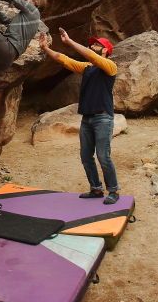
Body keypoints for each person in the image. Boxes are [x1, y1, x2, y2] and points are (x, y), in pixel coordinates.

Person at [39, 28, 121, 204]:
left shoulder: (110, 67)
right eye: (92, 45)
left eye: (97, 45)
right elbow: (64, 60)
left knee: (103, 156)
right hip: (87, 118)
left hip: (103, 118)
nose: (93, 47)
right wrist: (46, 48)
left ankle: (113, 191)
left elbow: (92, 57)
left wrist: (69, 42)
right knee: (85, 156)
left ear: (106, 51)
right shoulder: (87, 68)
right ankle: (96, 189)